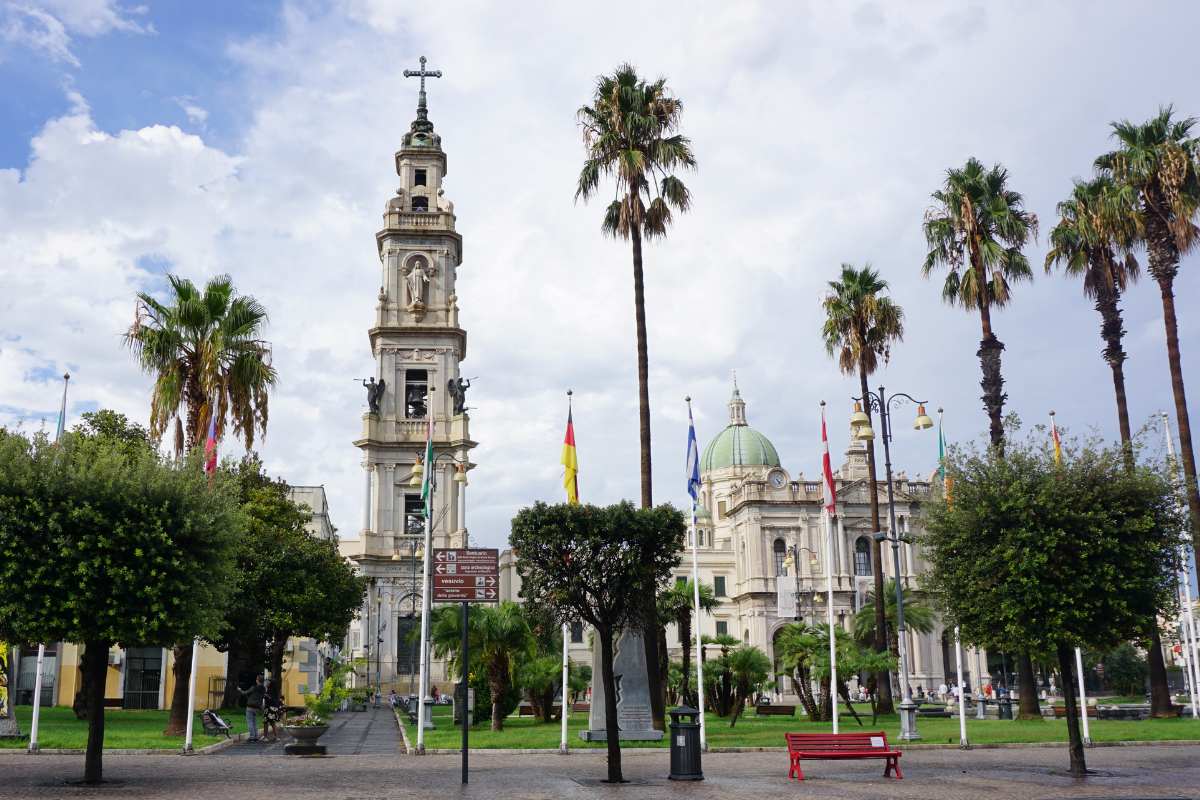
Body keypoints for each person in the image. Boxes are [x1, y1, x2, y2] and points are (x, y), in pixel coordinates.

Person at [238, 674, 266, 743]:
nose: (256, 680)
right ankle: (256, 736)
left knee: (250, 722)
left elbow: (245, 693)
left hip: (250, 706)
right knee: (254, 722)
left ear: (257, 680)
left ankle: (252, 737)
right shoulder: (263, 689)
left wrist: (240, 690)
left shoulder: (254, 687)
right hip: (257, 707)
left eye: (256, 679)